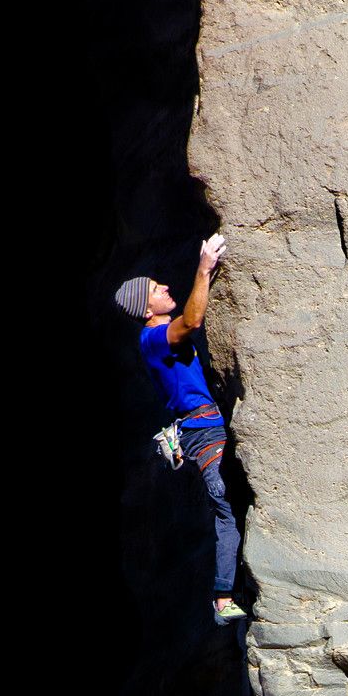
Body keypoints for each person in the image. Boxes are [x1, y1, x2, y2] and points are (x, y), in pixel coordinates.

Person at [114, 234, 245, 625]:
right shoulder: (153, 338)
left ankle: (226, 593)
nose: (165, 287)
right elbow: (192, 320)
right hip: (203, 431)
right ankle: (222, 598)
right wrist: (203, 269)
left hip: (202, 426)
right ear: (146, 309)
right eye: (156, 289)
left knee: (232, 504)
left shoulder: (154, 338)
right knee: (226, 511)